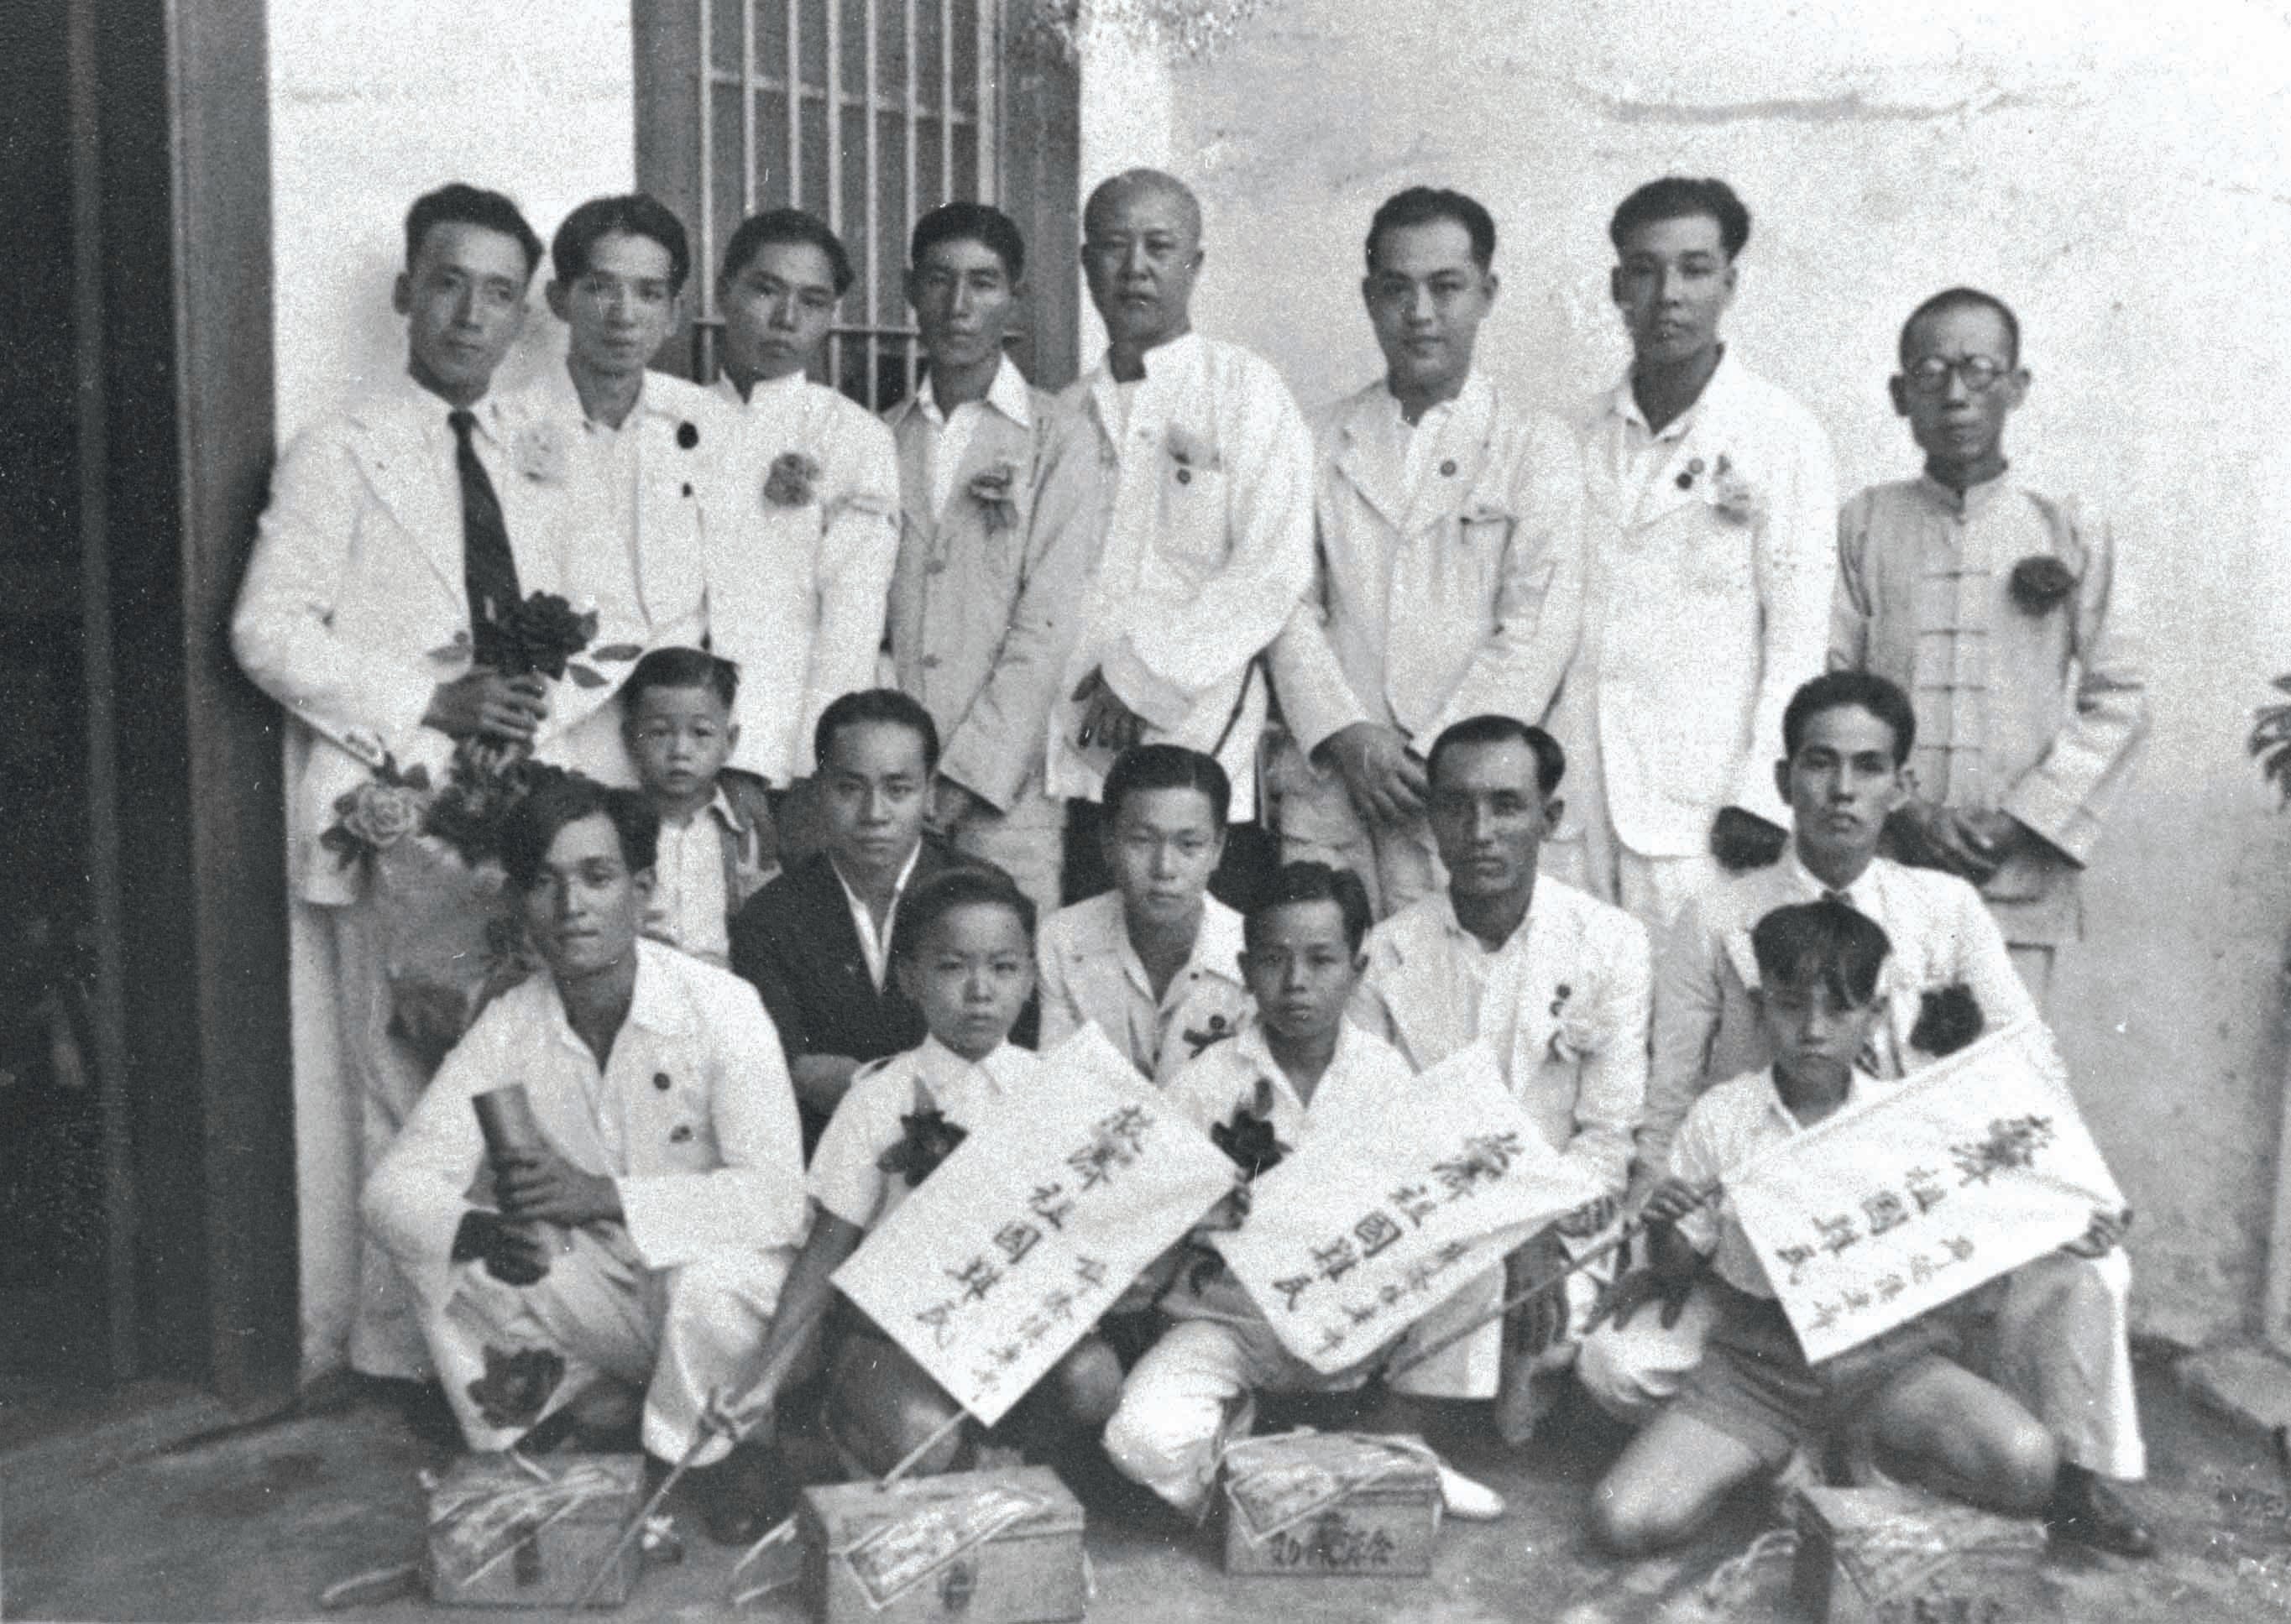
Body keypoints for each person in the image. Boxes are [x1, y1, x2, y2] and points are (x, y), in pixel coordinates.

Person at [1578, 670, 2153, 1555]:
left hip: (1907, 1245)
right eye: (1819, 763)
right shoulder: (1717, 914)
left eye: (1867, 766)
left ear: (1901, 784)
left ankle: (2077, 1473)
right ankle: (1808, 1451)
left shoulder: (1943, 907)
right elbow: (1668, 1102)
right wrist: (1655, 1239)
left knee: (2093, 1269)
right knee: (1613, 1365)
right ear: (1783, 779)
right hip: (1763, 1267)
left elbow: (2027, 1064)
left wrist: (2076, 1193)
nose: (1841, 790)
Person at [233, 183, 561, 1377]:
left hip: (523, 806)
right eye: (448, 284)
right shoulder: (340, 449)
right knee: (403, 1085)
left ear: (523, 314)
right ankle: (409, 1359)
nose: (471, 315)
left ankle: (521, 1347)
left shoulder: (540, 451)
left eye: (499, 294)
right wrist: (429, 702)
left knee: (519, 1079)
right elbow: (266, 629)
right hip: (395, 812)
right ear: (404, 293)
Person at [362, 775, 808, 1543]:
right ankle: (559, 1417)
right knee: (447, 1246)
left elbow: (775, 1200)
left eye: (597, 877)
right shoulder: (511, 1023)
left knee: (715, 1281)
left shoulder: (721, 1005)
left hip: (724, 1300)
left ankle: (717, 1454)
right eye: (545, 882)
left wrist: (602, 1195)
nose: (572, 907)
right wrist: (480, 1232)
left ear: (642, 890)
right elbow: (392, 1189)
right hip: (609, 1293)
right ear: (520, 902)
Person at [1587, 901, 2059, 1556]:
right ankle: (1782, 1459)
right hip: (1762, 1364)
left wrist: (2059, 1216)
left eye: (1838, 1010)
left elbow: (1966, 1237)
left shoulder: (1902, 1118)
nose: (1812, 1030)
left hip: (1885, 1358)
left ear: (1874, 1014)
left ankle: (1843, 1452)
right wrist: (1666, 1224)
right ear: (1761, 1008)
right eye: (1789, 1005)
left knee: (2027, 1463)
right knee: (1622, 1518)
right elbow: (1677, 1268)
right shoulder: (1724, 1117)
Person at [1101, 862, 1509, 1522]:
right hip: (1231, 1322)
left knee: (1475, 1255)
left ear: (1357, 967)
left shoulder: (1383, 1074)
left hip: (1356, 1315)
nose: (1295, 982)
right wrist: (1193, 1217)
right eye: (1272, 960)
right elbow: (1140, 1230)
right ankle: (1276, 1480)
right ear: (1243, 967)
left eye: (1321, 960)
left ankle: (1401, 1442)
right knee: (1140, 1439)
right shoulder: (1206, 1082)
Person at [740, 867, 1126, 1479]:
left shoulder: (1055, 1089)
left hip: (1014, 1332)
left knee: (1094, 1379)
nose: (980, 991)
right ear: (909, 979)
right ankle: (895, 1441)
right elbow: (825, 1251)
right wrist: (763, 1380)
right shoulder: (876, 1098)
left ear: (1030, 978)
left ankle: (1019, 1466)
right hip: (897, 1341)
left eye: (1003, 968)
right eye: (952, 967)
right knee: (922, 1437)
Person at [1269, 185, 1584, 919]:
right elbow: (1284, 604)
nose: (1419, 313)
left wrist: (1434, 759)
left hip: (1465, 793)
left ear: (1486, 293)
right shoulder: (1313, 440)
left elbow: (1535, 628)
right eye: (1396, 289)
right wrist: (1348, 735)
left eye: (1445, 287)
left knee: (1456, 968)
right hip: (1336, 785)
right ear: (1368, 297)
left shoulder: (1535, 447)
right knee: (1331, 965)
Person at [1833, 286, 2147, 1009]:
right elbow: (1834, 679)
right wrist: (1903, 808)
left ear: (2016, 386)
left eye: (1978, 371)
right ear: (1899, 394)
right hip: (1887, 856)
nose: (1954, 395)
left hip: (2017, 872)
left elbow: (2120, 695)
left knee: (2007, 1064)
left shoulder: (2065, 526)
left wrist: (2024, 818)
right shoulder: (1865, 522)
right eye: (1929, 372)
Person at [1547, 176, 1835, 932]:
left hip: (1704, 821)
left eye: (1694, 269)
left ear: (1728, 283)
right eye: (1644, 271)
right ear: (1617, 287)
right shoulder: (1572, 438)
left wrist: (1762, 796)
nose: (1667, 295)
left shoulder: (1782, 435)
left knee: (1697, 1003)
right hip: (1574, 806)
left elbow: (1798, 637)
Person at [1351, 715, 1649, 1440]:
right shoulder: (1387, 952)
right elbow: (1388, 1137)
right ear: (1431, 819)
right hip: (1440, 1219)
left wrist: (1537, 1228)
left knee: (1537, 1334)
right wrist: (1510, 1235)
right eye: (1457, 806)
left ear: (1548, 817)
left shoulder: (1610, 941)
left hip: (1568, 1219)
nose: (1480, 831)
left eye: (1506, 806)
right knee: (1460, 1315)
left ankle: (1491, 1405)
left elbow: (1607, 1136)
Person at [1033, 168, 1315, 898]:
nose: (1135, 268)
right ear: (1086, 263)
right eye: (1113, 246)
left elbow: (1272, 570)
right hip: (1080, 759)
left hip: (1203, 748)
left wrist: (1141, 678)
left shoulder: (1244, 390)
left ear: (1194, 263)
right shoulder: (1063, 412)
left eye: (1159, 247)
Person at [729, 688, 1028, 1148]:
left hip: (975, 1148)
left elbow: (1016, 1055)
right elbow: (785, 1072)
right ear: (818, 790)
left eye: (898, 790)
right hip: (825, 1153)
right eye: (850, 789)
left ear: (929, 791)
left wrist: (862, 1083)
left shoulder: (985, 898)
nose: (874, 814)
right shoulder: (769, 918)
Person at [508, 193, 738, 786]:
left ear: (674, 312)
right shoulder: (506, 424)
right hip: (556, 730)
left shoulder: (711, 424)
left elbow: (743, 603)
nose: (624, 315)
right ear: (559, 299)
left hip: (679, 741)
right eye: (600, 288)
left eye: (648, 293)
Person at [882, 202, 1070, 919]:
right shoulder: (883, 435)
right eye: (938, 280)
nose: (958, 306)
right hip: (893, 783)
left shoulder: (1059, 436)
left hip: (1008, 788)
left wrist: (970, 772)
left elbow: (1048, 623)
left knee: (1004, 959)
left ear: (1014, 298)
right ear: (910, 290)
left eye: (983, 283)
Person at [708, 207, 901, 805]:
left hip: (785, 753)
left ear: (831, 315)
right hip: (674, 738)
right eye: (766, 290)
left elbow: (849, 628)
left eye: (812, 301)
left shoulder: (854, 437)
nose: (786, 319)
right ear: (723, 291)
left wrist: (806, 770)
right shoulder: (675, 418)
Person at [1035, 745, 1250, 1089]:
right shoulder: (1063, 938)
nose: (1164, 868)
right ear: (1108, 843)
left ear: (1217, 849)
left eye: (1189, 844)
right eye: (1142, 840)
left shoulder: (1251, 952)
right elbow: (1059, 1086)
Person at [620, 647, 776, 968]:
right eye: (659, 732)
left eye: (701, 732)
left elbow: (771, 923)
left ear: (730, 742)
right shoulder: (615, 827)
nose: (680, 750)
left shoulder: (745, 829)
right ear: (630, 739)